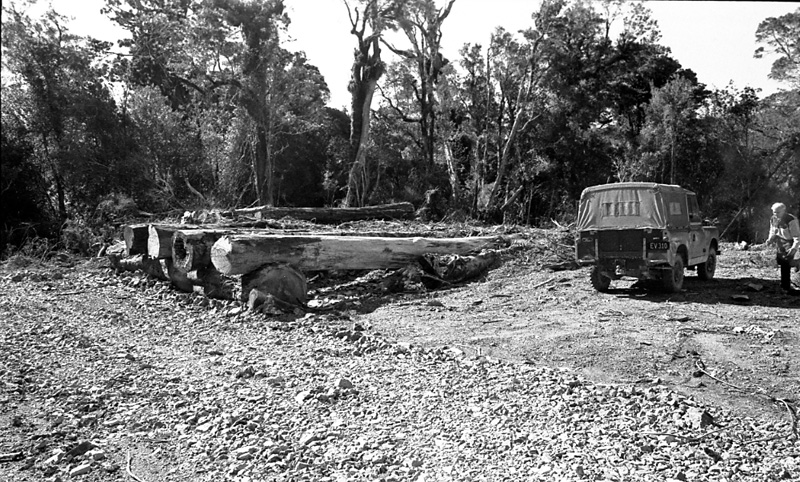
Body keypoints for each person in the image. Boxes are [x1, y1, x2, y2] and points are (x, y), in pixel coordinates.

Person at [766, 202, 800, 295]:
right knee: (781, 262)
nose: (775, 214)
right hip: (780, 242)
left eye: (778, 212)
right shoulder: (773, 219)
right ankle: (785, 284)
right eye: (774, 212)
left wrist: (794, 248)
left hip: (790, 242)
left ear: (784, 211)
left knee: (786, 263)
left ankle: (786, 287)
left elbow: (797, 237)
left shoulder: (791, 220)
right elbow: (772, 231)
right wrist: (770, 239)